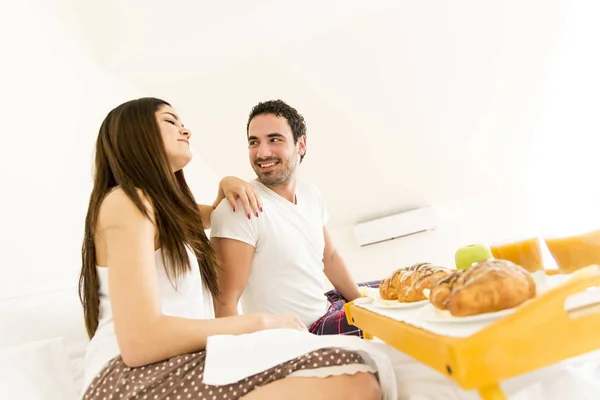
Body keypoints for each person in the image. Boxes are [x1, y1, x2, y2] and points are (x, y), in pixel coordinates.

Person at [78, 97, 382, 400]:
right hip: (131, 376)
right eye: (171, 121)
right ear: (134, 134)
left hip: (182, 357)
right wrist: (258, 323)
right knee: (349, 383)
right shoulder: (126, 203)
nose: (186, 131)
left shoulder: (161, 208)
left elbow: (213, 214)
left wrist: (226, 182)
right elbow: (139, 342)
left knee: (358, 374)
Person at [211, 99, 379, 337]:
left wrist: (361, 302)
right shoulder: (241, 206)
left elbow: (329, 257)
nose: (262, 152)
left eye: (274, 139)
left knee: (396, 292)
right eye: (254, 142)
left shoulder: (310, 193)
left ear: (300, 145)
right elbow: (225, 302)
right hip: (304, 334)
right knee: (398, 322)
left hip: (327, 307)